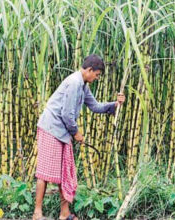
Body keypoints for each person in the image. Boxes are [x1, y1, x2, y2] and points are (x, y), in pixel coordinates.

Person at [32, 54, 125, 220]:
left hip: (61, 131)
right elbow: (67, 114)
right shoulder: (74, 82)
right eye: (96, 75)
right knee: (45, 172)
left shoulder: (83, 85)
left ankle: (64, 213)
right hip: (51, 128)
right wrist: (76, 133)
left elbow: (95, 106)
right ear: (89, 70)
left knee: (64, 171)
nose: (96, 78)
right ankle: (37, 213)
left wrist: (115, 105)